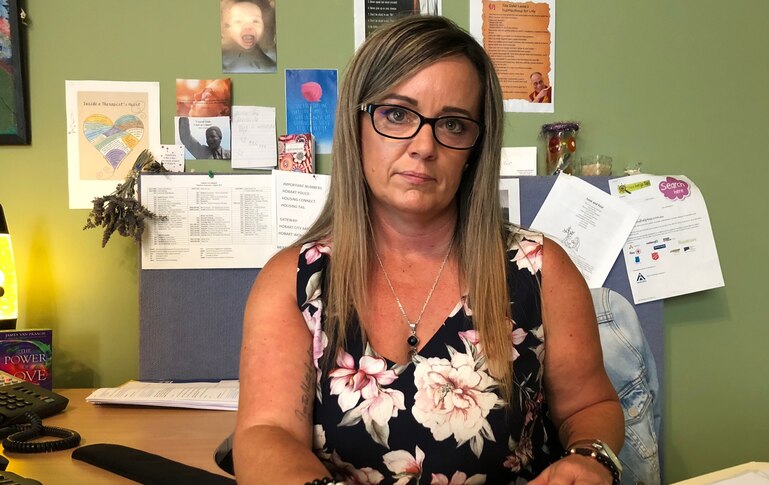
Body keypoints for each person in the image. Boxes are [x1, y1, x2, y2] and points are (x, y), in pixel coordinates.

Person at [233, 15, 623, 484]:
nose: (424, 146)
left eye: (453, 125)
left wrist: (591, 457)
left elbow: (592, 406)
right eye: (397, 114)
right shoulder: (295, 280)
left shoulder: (541, 270)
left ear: (474, 148)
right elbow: (265, 432)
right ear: (357, 124)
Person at [221, 0, 276, 73]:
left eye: (255, 21)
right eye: (238, 21)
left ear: (264, 27)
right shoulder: (222, 59)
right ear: (228, 28)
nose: (248, 27)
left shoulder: (272, 60)